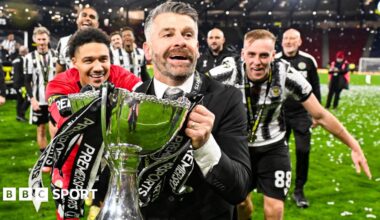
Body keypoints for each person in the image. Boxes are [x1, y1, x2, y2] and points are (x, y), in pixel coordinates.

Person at [239, 29, 371, 220]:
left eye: (264, 55)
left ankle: (299, 190)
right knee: (241, 205)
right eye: (251, 54)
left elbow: (321, 113)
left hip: (282, 135)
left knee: (275, 208)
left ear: (272, 55)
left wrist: (354, 144)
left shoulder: (287, 74)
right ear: (243, 54)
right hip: (244, 145)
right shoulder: (227, 73)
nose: (257, 61)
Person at [139, 2, 251, 219]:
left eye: (188, 34)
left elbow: (238, 189)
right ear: (148, 50)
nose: (180, 41)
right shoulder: (133, 100)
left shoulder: (227, 98)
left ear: (197, 49)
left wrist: (206, 145)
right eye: (168, 34)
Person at [45, 27, 142, 220]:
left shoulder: (119, 74)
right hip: (71, 161)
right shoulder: (60, 84)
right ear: (74, 62)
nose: (98, 67)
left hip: (109, 160)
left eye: (103, 59)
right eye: (88, 60)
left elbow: (145, 95)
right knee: (68, 214)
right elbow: (60, 121)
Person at [275, 28, 321, 208]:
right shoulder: (275, 59)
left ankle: (299, 190)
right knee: (280, 154)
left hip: (302, 114)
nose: (289, 41)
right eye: (286, 38)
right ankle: (281, 187)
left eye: (293, 38)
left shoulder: (308, 61)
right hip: (279, 115)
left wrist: (316, 113)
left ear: (300, 41)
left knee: (303, 151)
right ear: (282, 41)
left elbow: (315, 88)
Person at [24, 26, 57, 155]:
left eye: (44, 39)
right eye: (39, 39)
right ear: (34, 40)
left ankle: (54, 154)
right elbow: (27, 81)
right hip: (39, 100)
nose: (42, 42)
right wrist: (32, 100)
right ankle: (44, 157)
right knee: (41, 129)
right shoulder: (29, 57)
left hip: (54, 99)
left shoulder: (56, 55)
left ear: (48, 39)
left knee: (55, 128)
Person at [55, 6, 99, 74]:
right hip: (71, 84)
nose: (87, 18)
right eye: (84, 15)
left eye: (92, 17)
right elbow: (59, 73)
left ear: (97, 24)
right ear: (77, 20)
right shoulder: (63, 42)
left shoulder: (104, 45)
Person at [12, 45, 30, 122]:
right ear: (25, 52)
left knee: (20, 100)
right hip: (21, 84)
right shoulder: (23, 60)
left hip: (16, 83)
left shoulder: (15, 59)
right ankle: (21, 114)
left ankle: (19, 116)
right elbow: (23, 73)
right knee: (28, 98)